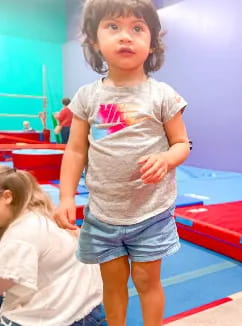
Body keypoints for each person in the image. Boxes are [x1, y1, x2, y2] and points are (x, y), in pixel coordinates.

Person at [54, 0, 190, 325]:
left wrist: (167, 158)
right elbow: (75, 151)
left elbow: (182, 143)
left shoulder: (162, 95)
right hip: (103, 214)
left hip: (151, 212)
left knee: (146, 281)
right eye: (113, 27)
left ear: (152, 43)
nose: (125, 37)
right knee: (112, 283)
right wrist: (66, 197)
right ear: (93, 39)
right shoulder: (87, 97)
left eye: (137, 28)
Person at [0, 166, 104, 326]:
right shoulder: (34, 210)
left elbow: (3, 283)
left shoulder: (20, 235)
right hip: (87, 305)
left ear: (7, 197)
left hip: (64, 314)